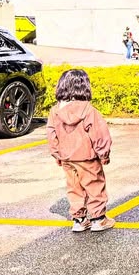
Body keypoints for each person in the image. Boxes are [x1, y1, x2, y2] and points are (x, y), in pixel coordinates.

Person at [46, 69, 115, 233]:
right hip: (87, 158)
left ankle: (79, 219)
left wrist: (57, 154)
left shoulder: (55, 111)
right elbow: (99, 135)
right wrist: (103, 154)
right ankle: (98, 219)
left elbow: (51, 134)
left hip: (67, 159)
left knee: (74, 187)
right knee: (94, 185)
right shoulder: (88, 110)